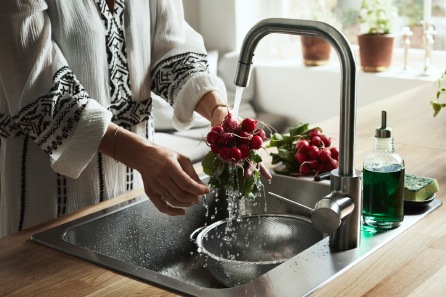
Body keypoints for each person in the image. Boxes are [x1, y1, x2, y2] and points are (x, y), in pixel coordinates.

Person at [0, 0, 271, 238]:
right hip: (48, 195)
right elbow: (40, 90)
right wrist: (144, 155)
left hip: (133, 188)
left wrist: (220, 115)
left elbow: (174, 53)